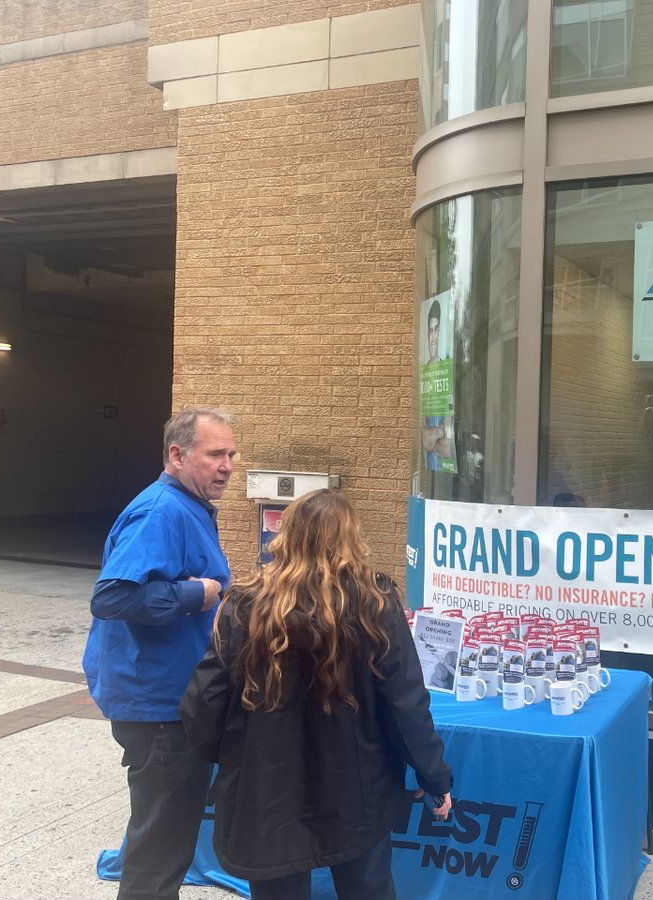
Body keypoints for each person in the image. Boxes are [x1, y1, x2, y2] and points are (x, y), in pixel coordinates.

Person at [180, 489, 453, 900]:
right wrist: (434, 775)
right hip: (356, 786)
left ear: (287, 535)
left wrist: (228, 758)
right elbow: (406, 705)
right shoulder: (374, 603)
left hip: (267, 787)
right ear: (351, 539)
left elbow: (204, 701)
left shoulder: (245, 602)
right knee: (368, 890)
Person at [82, 407, 237, 900]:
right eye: (216, 454)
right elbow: (111, 598)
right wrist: (196, 595)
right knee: (159, 851)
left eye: (232, 454)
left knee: (168, 839)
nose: (228, 465)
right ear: (177, 455)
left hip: (172, 698)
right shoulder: (160, 512)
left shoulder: (188, 506)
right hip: (158, 708)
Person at [421, 298, 455, 469]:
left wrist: (430, 437)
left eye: (436, 330)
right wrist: (440, 433)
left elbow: (448, 449)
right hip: (430, 475)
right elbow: (423, 441)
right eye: (430, 331)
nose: (433, 337)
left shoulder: (445, 376)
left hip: (441, 474)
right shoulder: (424, 375)